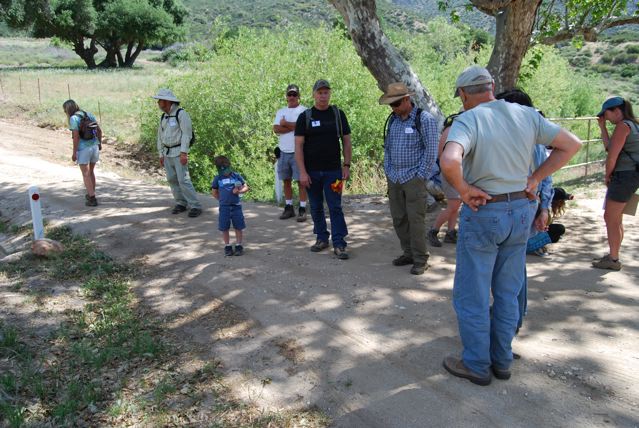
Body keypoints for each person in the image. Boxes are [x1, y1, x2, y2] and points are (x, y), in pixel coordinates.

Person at [440, 66, 581, 386]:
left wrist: (463, 190)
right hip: (521, 210)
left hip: (484, 209)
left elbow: (449, 161)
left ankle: (476, 363)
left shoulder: (469, 119)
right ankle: (502, 360)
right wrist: (535, 178)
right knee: (508, 290)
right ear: (491, 86)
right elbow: (571, 144)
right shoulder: (525, 115)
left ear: (464, 94)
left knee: (472, 291)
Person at [379, 82, 438, 275]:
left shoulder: (425, 119)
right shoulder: (394, 121)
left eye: (396, 104)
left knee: (416, 220)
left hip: (413, 178)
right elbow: (387, 148)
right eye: (391, 105)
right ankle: (408, 253)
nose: (393, 108)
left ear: (406, 100)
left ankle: (421, 259)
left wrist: (420, 176)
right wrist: (388, 170)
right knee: (399, 219)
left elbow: (431, 151)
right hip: (394, 177)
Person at [295, 79, 352, 260]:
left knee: (335, 206)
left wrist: (346, 165)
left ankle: (339, 243)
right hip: (312, 174)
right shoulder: (305, 117)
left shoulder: (338, 114)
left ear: (330, 94)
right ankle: (321, 238)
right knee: (316, 206)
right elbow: (298, 146)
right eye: (320, 92)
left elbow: (347, 141)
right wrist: (302, 172)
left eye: (326, 92)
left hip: (334, 172)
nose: (323, 95)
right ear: (314, 94)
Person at [593, 96, 639, 271]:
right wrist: (602, 127)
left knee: (610, 218)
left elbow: (611, 156)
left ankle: (613, 260)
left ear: (616, 111)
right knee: (616, 218)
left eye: (606, 115)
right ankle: (614, 254)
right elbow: (610, 147)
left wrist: (607, 175)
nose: (606, 118)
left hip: (623, 176)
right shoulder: (633, 125)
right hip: (631, 176)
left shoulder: (622, 126)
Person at [152, 88, 202, 218]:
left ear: (167, 101)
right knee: (172, 179)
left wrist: (184, 152)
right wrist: (160, 154)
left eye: (160, 100)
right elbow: (160, 136)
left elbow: (187, 134)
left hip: (179, 152)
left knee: (183, 180)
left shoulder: (181, 114)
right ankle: (181, 203)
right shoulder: (164, 116)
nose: (158, 103)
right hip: (167, 153)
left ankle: (195, 205)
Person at [273, 84, 308, 221]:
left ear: (298, 96)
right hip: (283, 151)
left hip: (298, 151)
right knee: (286, 180)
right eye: (290, 94)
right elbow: (276, 129)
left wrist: (285, 123)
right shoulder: (280, 111)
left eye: (294, 94)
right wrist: (293, 126)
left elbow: (303, 127)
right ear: (286, 96)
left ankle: (302, 208)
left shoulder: (304, 111)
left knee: (301, 182)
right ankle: (288, 208)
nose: (292, 97)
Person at [428, 113, 463, 247]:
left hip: (455, 173)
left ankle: (450, 233)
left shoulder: (452, 130)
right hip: (450, 173)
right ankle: (433, 231)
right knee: (453, 205)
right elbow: (443, 155)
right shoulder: (451, 131)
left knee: (455, 205)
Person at [62, 99, 102, 207]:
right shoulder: (88, 115)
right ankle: (91, 194)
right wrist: (99, 143)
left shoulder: (73, 119)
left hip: (83, 149)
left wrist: (74, 153)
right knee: (91, 172)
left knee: (85, 174)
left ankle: (92, 198)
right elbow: (99, 130)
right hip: (94, 146)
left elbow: (76, 137)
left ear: (67, 110)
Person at [211, 156, 249, 256]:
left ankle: (238, 245)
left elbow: (246, 187)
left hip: (236, 206)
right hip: (224, 207)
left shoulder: (236, 176)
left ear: (229, 166)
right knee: (224, 227)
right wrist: (221, 200)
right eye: (222, 170)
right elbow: (214, 192)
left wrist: (239, 191)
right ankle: (227, 246)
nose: (225, 172)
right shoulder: (218, 178)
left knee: (238, 226)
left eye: (226, 169)